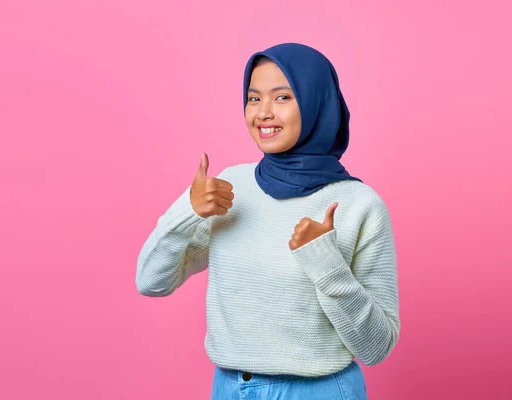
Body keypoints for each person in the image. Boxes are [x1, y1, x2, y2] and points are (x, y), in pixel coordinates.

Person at [135, 42, 400, 400]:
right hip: (230, 388)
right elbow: (151, 283)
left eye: (283, 97)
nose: (263, 113)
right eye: (254, 98)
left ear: (316, 102)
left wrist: (327, 265)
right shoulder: (231, 188)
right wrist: (187, 211)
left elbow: (376, 347)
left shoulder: (359, 205)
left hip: (318, 391)